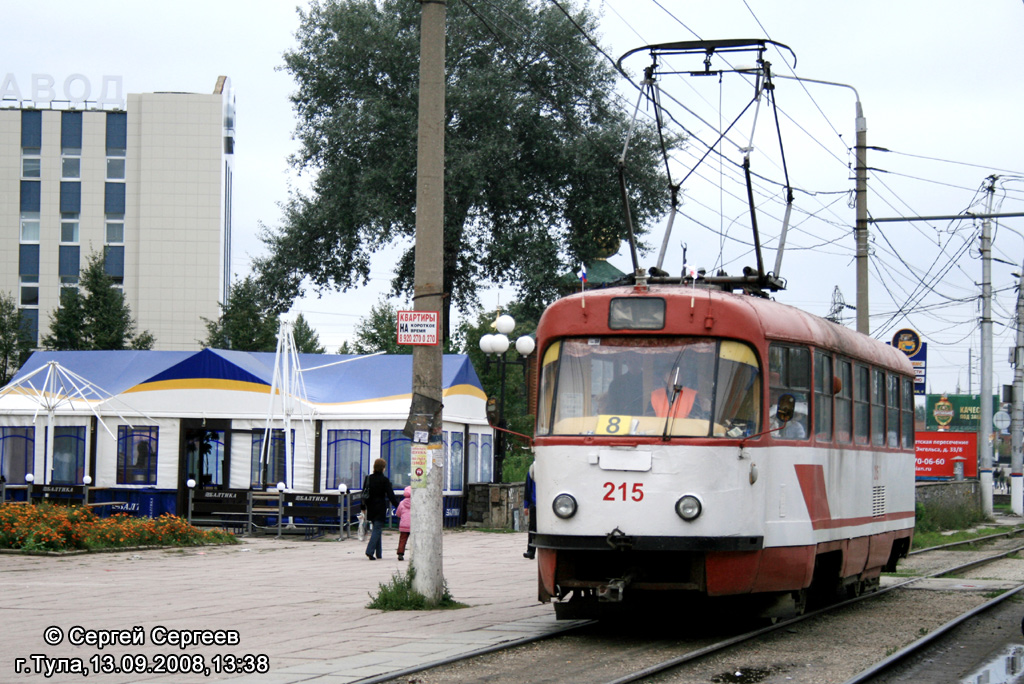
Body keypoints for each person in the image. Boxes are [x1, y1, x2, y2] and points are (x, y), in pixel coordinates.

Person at [361, 458, 400, 561]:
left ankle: (379, 553)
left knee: (376, 528)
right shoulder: (384, 480)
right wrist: (399, 506)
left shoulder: (368, 478)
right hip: (380, 507)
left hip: (370, 507)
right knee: (377, 529)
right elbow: (391, 496)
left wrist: (363, 507)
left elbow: (363, 493)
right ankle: (369, 551)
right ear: (383, 468)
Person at [523, 463, 536, 560]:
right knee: (532, 528)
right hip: (535, 503)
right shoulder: (532, 469)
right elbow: (528, 488)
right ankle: (531, 551)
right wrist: (526, 505)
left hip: (548, 505)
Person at [395, 486, 412, 561]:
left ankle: (400, 553)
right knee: (415, 540)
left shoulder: (402, 503)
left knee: (402, 540)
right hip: (414, 525)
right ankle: (415, 553)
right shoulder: (417, 503)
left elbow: (398, 513)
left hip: (404, 525)